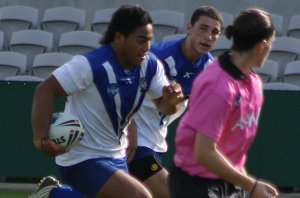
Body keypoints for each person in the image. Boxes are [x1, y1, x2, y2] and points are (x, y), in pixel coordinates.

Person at [30, 4, 184, 198]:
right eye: (140, 40)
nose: (146, 47)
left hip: (116, 155)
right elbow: (44, 90)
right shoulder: (91, 64)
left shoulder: (150, 65)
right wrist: (41, 139)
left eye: (149, 41)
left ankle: (54, 195)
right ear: (119, 38)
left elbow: (165, 108)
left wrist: (172, 101)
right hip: (81, 157)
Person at [168, 7, 279, 198]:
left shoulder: (253, 83)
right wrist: (251, 186)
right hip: (195, 186)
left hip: (228, 182)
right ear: (262, 45)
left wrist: (247, 186)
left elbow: (232, 150)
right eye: (271, 44)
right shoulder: (218, 86)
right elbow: (204, 153)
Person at [127, 6, 223, 198]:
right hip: (134, 140)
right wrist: (130, 128)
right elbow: (125, 87)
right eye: (203, 29)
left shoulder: (210, 71)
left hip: (156, 141)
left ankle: (56, 193)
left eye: (214, 32)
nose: (208, 36)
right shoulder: (158, 56)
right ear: (189, 28)